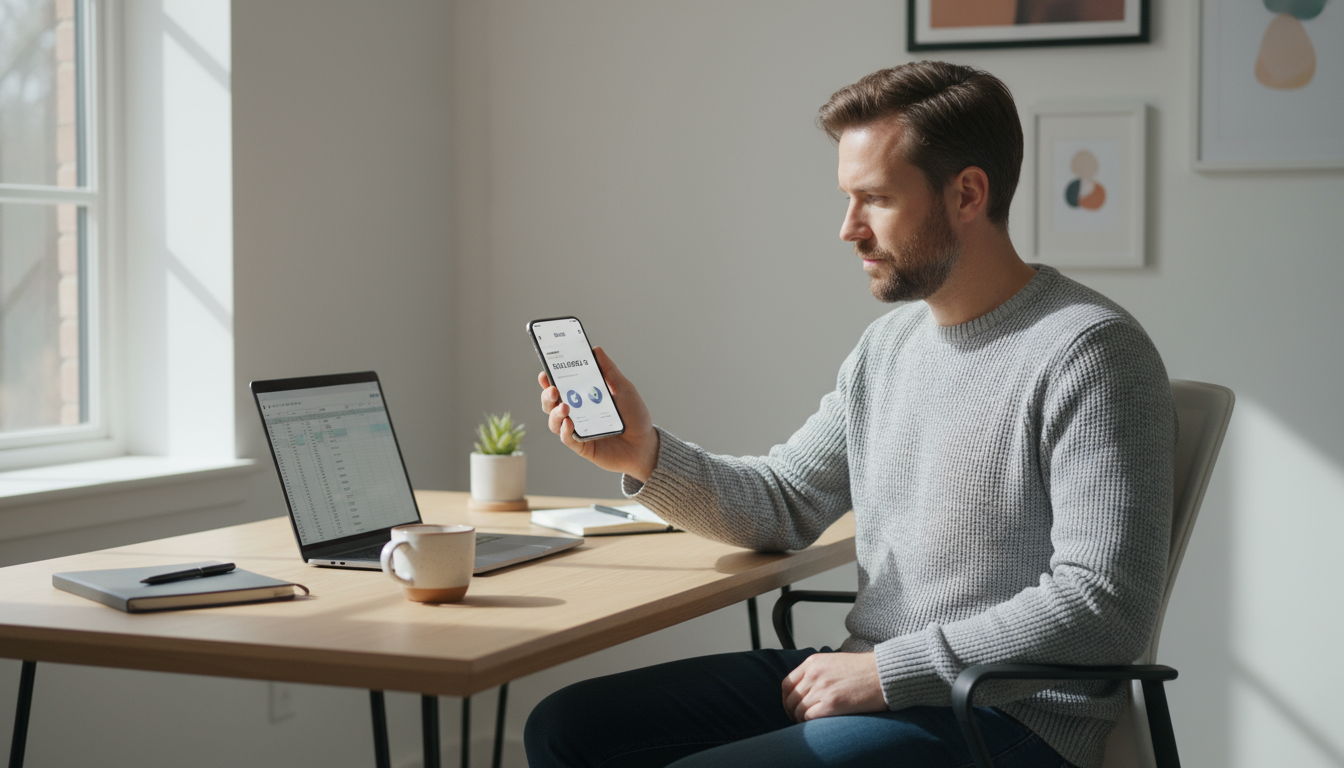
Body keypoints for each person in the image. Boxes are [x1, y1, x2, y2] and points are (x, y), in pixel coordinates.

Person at [524, 60, 1175, 768]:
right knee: (567, 727)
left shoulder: (1090, 352)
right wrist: (644, 454)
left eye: (875, 199)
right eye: (847, 198)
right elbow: (785, 500)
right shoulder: (889, 347)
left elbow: (1105, 604)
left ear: (967, 194)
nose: (848, 229)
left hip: (1008, 715)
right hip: (878, 675)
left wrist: (887, 673)